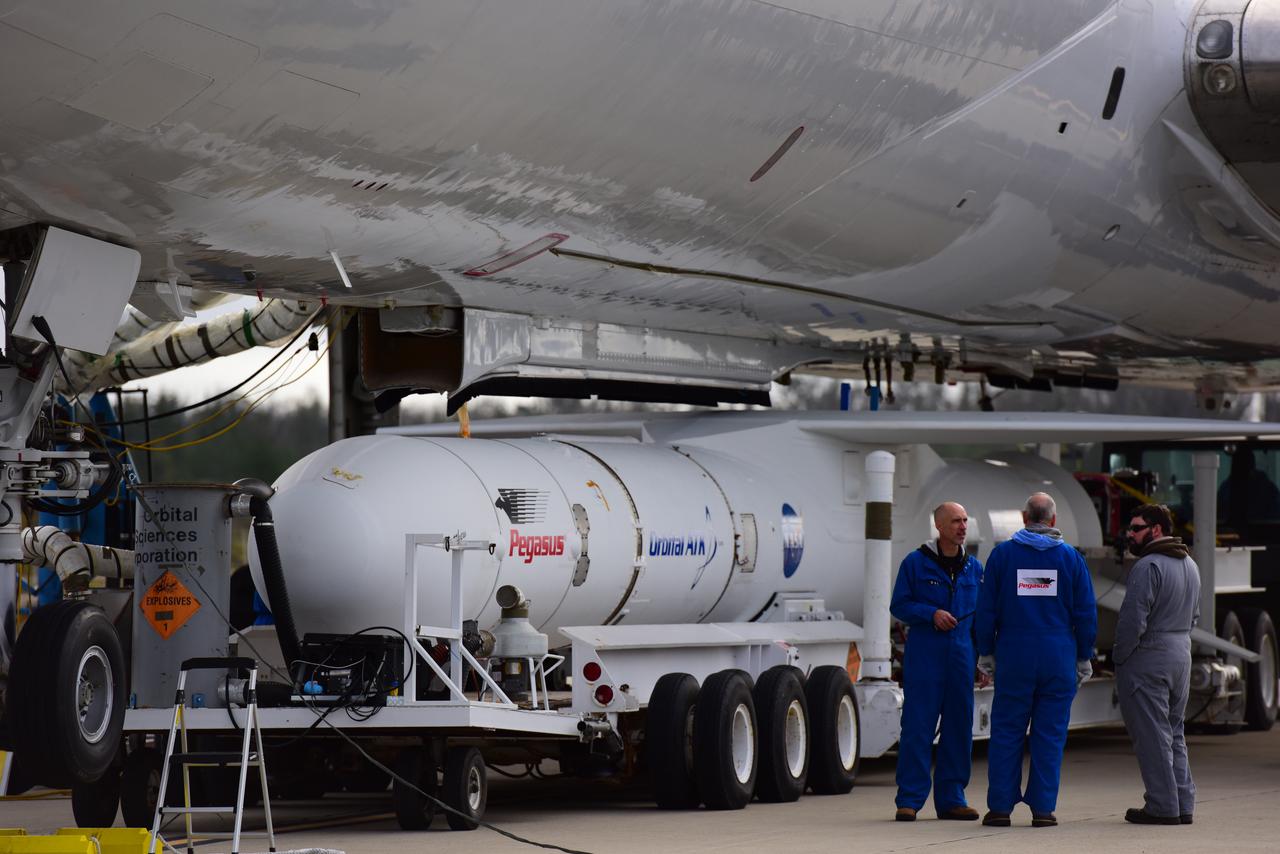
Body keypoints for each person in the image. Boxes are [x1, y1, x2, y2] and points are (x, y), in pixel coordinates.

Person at [975, 493, 1096, 828]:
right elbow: (1086, 614)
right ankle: (1043, 809)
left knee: (1007, 732)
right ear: (1054, 521)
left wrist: (985, 651)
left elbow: (986, 610)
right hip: (1058, 656)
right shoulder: (1071, 559)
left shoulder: (1002, 556)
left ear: (1023, 517)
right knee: (1050, 735)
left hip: (1014, 655)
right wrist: (1084, 656)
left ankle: (1000, 808)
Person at [889, 502, 984, 822]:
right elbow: (899, 604)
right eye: (956, 521)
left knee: (959, 729)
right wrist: (930, 614)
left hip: (961, 657)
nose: (962, 526)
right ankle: (910, 799)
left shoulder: (974, 568)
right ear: (940, 526)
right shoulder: (915, 564)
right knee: (917, 728)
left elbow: (983, 619)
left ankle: (952, 799)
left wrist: (983, 659)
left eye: (965, 521)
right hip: (926, 658)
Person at [1114, 503, 1199, 825]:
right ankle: (1182, 802)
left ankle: (1163, 806)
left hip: (1150, 657)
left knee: (1152, 736)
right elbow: (1195, 616)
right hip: (1181, 654)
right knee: (1174, 732)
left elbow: (1133, 620)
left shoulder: (1148, 566)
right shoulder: (1189, 564)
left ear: (1157, 530)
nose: (1129, 534)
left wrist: (1120, 657)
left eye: (1136, 528)